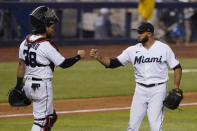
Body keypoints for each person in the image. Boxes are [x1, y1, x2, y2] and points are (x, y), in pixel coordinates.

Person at [90, 22, 182, 131]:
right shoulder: (132, 50)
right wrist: (99, 57)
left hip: (159, 90)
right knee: (132, 126)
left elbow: (177, 67)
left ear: (149, 33)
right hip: (140, 90)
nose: (138, 35)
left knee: (155, 126)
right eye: (137, 32)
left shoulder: (163, 48)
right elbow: (113, 63)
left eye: (141, 32)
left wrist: (176, 87)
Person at [15, 6, 85, 131]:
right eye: (51, 26)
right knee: (41, 122)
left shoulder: (25, 42)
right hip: (42, 88)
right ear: (43, 26)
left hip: (28, 86)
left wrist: (18, 85)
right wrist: (78, 57)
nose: (53, 28)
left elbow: (21, 65)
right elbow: (63, 63)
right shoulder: (45, 45)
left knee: (51, 117)